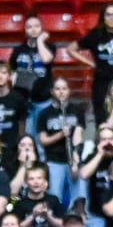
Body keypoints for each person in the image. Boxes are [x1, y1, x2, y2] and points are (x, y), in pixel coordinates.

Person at [37, 76, 84, 210]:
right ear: (52, 91)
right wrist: (60, 135)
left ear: (69, 91)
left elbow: (78, 136)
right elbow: (43, 141)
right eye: (58, 89)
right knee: (54, 198)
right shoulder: (44, 114)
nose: (61, 92)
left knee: (79, 199)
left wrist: (75, 161)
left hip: (72, 160)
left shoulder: (77, 111)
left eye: (64, 88)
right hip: (54, 161)